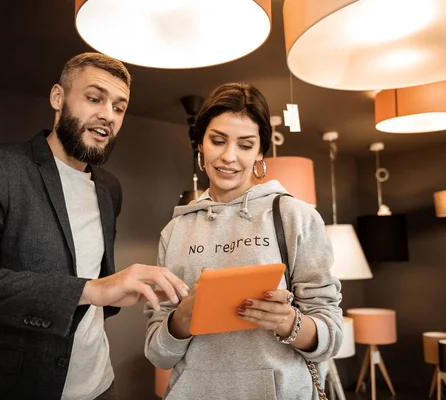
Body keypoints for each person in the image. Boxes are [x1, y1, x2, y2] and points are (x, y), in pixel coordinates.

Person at [0, 52, 189, 400]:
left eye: (119, 107)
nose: (108, 115)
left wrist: (114, 291)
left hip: (99, 385)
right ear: (57, 97)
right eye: (94, 98)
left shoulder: (110, 189)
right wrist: (89, 290)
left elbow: (91, 273)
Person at [144, 82, 343, 399]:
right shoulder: (175, 230)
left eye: (245, 145)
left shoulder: (296, 217)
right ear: (200, 144)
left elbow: (331, 337)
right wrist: (182, 317)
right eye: (217, 140)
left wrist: (288, 322)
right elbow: (158, 353)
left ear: (260, 152)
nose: (228, 157)